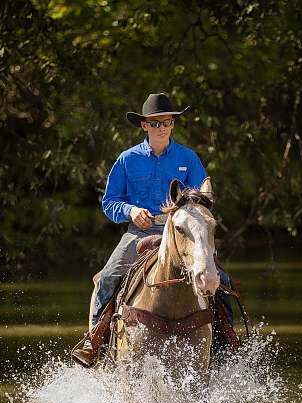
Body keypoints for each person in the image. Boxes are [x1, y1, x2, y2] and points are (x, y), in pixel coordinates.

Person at [72, 92, 233, 367]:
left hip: (181, 232)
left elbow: (201, 201)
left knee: (222, 281)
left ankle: (225, 343)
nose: (162, 127)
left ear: (172, 124)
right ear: (144, 125)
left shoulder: (188, 158)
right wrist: (131, 211)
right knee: (107, 278)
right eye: (156, 123)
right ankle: (94, 340)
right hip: (139, 232)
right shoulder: (127, 159)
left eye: (167, 122)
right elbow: (110, 202)